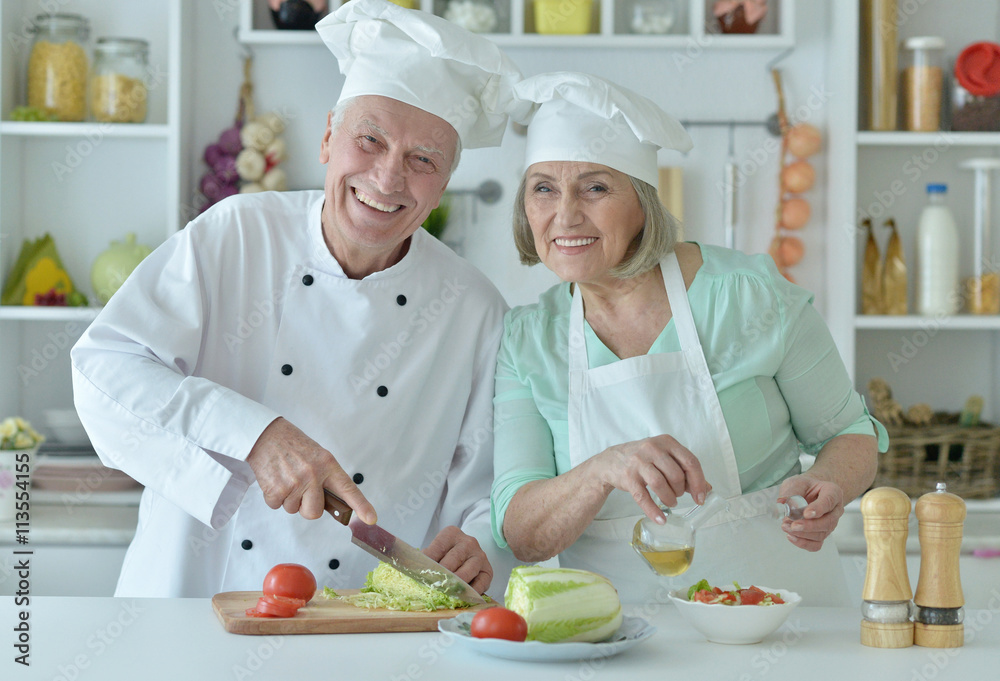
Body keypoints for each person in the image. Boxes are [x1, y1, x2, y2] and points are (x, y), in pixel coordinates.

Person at [70, 0, 522, 599]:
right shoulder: (234, 233)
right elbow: (102, 370)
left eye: (423, 160)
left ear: (442, 184)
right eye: (370, 140)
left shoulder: (474, 308)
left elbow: (486, 486)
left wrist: (477, 540)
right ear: (329, 137)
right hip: (193, 604)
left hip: (364, 624)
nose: (388, 179)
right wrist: (257, 435)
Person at [490, 72, 888, 605]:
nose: (565, 215)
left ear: (643, 203)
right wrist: (601, 470)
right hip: (618, 637)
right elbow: (520, 533)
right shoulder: (527, 340)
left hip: (774, 619)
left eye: (596, 187)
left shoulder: (749, 296)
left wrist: (832, 485)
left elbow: (851, 434)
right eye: (543, 188)